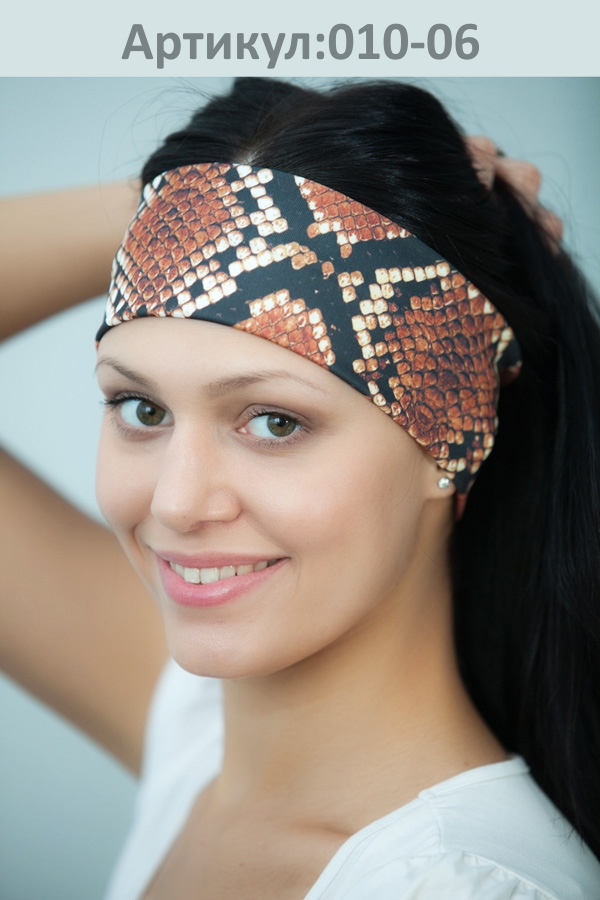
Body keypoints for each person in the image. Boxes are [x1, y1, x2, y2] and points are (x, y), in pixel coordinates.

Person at [1, 78, 599, 899]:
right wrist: (186, 194)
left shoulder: (462, 886)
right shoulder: (201, 739)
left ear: (457, 434)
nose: (175, 503)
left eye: (275, 422)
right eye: (142, 409)